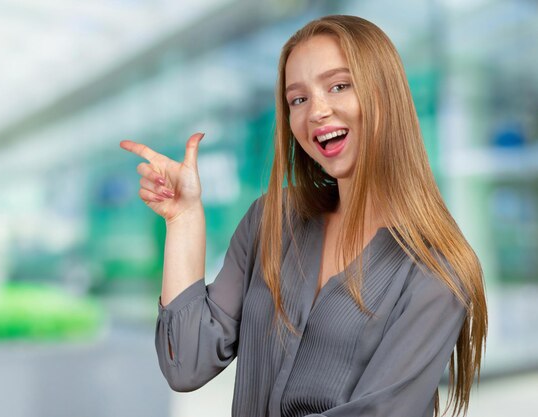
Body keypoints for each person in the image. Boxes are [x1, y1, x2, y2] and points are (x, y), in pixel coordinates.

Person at [120, 14, 487, 417]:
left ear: (386, 95)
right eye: (298, 99)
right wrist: (183, 218)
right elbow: (186, 363)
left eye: (339, 86)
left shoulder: (437, 270)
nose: (316, 111)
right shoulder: (271, 220)